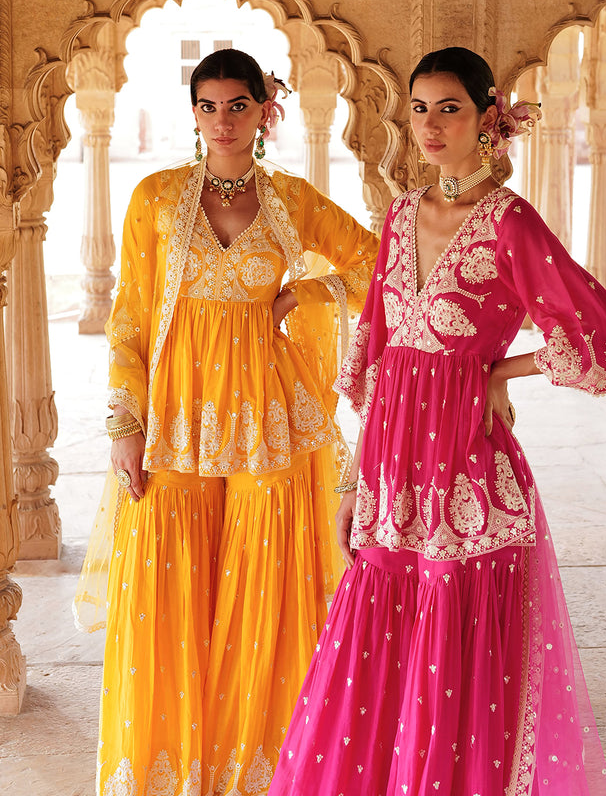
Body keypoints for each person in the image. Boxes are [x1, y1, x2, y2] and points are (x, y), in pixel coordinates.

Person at [270, 46, 606, 796]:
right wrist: (353, 483)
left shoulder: (511, 224)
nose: (431, 126)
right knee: (380, 647)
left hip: (467, 477)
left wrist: (500, 370)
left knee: (454, 663)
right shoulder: (402, 214)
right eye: (419, 108)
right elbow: (375, 359)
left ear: (487, 121)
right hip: (392, 473)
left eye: (450, 109)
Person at [74, 48, 380, 796]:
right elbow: (130, 323)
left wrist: (307, 296)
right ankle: (167, 772)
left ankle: (251, 772)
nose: (221, 122)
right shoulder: (154, 198)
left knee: (260, 594)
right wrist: (124, 424)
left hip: (264, 423)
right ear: (193, 113)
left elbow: (380, 263)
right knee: (165, 597)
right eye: (207, 107)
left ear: (263, 111)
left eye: (236, 106)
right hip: (175, 422)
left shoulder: (291, 202)